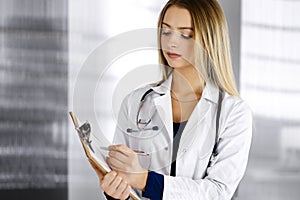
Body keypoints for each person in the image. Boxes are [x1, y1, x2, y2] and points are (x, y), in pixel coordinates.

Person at [90, 0, 252, 199]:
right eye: (166, 32)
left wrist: (144, 179)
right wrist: (115, 191)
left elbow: (218, 191)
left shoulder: (233, 113)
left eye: (185, 34)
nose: (171, 42)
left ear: (209, 40)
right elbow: (126, 186)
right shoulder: (136, 102)